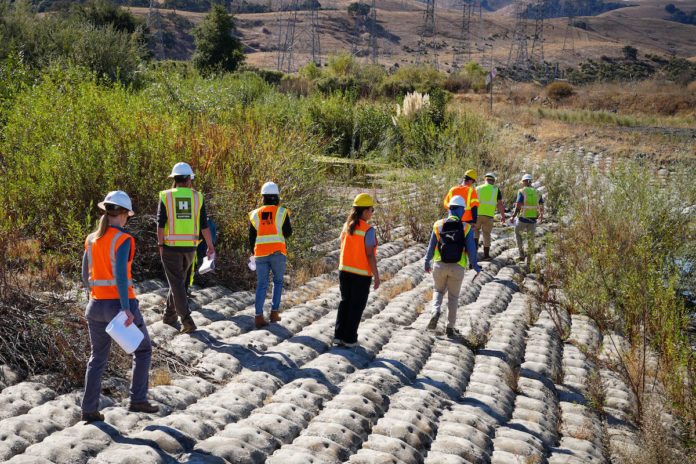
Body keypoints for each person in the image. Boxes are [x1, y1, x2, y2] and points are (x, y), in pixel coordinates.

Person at [81, 191, 158, 423]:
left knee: (97, 358)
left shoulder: (91, 239)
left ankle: (89, 410)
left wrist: (96, 294)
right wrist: (125, 308)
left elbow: (85, 275)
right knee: (143, 350)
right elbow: (121, 277)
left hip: (95, 306)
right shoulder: (123, 239)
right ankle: (137, 400)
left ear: (106, 211)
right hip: (119, 306)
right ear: (124, 214)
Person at [157, 162, 215, 334]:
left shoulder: (166, 196)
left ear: (174, 179)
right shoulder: (198, 197)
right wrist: (210, 246)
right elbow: (204, 225)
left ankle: (187, 320)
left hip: (170, 247)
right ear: (189, 179)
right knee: (178, 283)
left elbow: (161, 224)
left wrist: (160, 244)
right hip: (190, 247)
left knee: (177, 283)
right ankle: (169, 315)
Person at [424, 195, 481, 338]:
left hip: (439, 265)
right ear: (461, 210)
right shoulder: (466, 227)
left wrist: (426, 262)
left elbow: (431, 247)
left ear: (449, 208)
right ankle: (450, 327)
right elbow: (471, 250)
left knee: (438, 291)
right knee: (453, 298)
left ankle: (435, 311)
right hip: (457, 267)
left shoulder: (438, 225)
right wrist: (475, 266)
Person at [334, 193, 380, 348]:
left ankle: (338, 337)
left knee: (345, 303)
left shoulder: (347, 225)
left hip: (344, 270)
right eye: (371, 210)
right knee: (356, 306)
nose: (372, 212)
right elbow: (369, 255)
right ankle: (350, 339)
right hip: (360, 273)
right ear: (365, 211)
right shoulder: (368, 230)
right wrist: (377, 275)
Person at [249, 182, 292, 329]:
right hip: (278, 252)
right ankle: (274, 314)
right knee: (278, 282)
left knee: (261, 285)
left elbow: (251, 237)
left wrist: (252, 253)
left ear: (263, 197)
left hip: (260, 253)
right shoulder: (282, 212)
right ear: (277, 197)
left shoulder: (255, 214)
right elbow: (288, 233)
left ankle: (258, 316)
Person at [511, 173, 544, 264]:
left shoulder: (522, 191)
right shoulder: (537, 192)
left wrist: (513, 216)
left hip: (522, 218)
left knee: (518, 234)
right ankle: (529, 261)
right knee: (531, 240)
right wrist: (541, 216)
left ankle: (521, 255)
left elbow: (518, 205)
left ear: (525, 182)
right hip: (533, 220)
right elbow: (541, 205)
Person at [475, 172, 507, 261]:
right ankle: (486, 256)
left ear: (485, 179)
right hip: (489, 216)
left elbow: (471, 202)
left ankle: (474, 253)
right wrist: (503, 216)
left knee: (475, 232)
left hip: (477, 215)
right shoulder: (496, 190)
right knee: (486, 234)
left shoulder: (477, 188)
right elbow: (500, 204)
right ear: (493, 181)